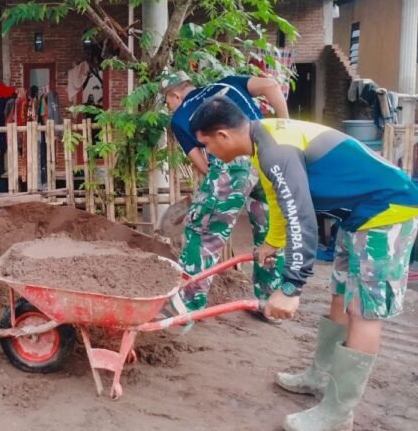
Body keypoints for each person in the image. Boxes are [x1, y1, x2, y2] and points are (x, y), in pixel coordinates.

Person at [189, 96, 418, 431]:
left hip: (386, 213)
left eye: (206, 144)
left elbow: (301, 217)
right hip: (358, 216)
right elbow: (278, 200)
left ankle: (338, 414)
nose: (207, 153)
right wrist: (273, 242)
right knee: (340, 293)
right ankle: (320, 376)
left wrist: (290, 286)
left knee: (363, 310)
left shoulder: (275, 151)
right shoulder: (261, 139)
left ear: (223, 135)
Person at [160, 70, 289, 313]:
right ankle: (271, 303)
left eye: (168, 101)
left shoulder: (180, 118)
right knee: (269, 230)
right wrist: (285, 125)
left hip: (233, 163)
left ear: (176, 95)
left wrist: (215, 189)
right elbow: (271, 85)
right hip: (269, 152)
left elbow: (203, 164)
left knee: (204, 229)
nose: (169, 106)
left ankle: (186, 304)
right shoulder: (227, 83)